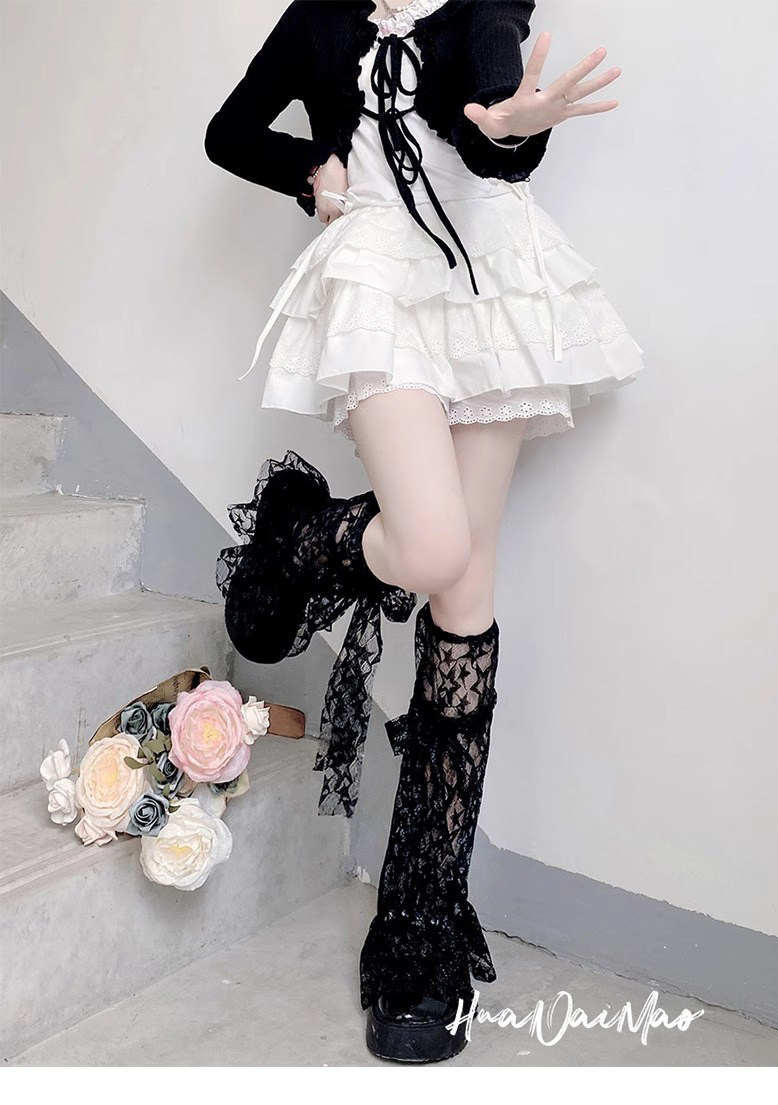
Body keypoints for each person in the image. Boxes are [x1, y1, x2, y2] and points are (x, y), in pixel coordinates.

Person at [206, 0, 644, 1063]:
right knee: (434, 541)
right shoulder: (321, 17)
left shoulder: (485, 10)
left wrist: (512, 125)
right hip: (377, 277)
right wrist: (311, 167)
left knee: (463, 582)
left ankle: (419, 917)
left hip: (488, 276)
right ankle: (297, 541)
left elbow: (493, 120)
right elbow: (230, 132)